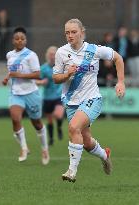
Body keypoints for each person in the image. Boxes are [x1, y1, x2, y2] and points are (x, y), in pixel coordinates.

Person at [53, 18, 125, 182]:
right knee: (86, 142)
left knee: (73, 128)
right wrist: (67, 74)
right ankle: (104, 156)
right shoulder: (61, 53)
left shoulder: (95, 50)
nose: (70, 35)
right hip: (71, 101)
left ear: (82, 32)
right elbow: (56, 78)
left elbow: (118, 58)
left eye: (73, 32)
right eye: (67, 33)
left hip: (92, 98)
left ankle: (71, 172)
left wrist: (120, 81)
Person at [2, 27, 50, 165]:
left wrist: (20, 75)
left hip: (31, 93)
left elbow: (37, 74)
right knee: (15, 118)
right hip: (15, 93)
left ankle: (44, 149)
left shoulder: (31, 55)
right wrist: (7, 78)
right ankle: (24, 148)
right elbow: (12, 72)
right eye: (17, 38)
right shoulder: (9, 55)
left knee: (37, 123)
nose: (20, 41)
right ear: (13, 40)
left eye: (22, 38)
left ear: (26, 40)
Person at [36, 46, 65, 146]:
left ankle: (60, 128)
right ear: (47, 56)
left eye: (54, 54)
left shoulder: (61, 67)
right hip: (47, 97)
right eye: (51, 54)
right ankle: (51, 138)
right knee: (49, 120)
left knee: (58, 114)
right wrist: (41, 82)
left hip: (58, 95)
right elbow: (36, 80)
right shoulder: (43, 68)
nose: (52, 56)